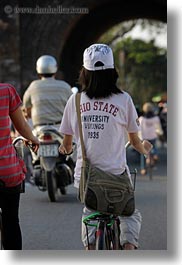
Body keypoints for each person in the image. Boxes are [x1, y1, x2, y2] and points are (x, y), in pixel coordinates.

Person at [58, 43, 153, 250]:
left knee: (89, 212)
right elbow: (135, 142)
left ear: (84, 72)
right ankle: (128, 248)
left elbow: (66, 144)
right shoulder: (124, 99)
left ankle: (91, 247)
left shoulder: (74, 101)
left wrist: (65, 149)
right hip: (117, 175)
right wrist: (145, 149)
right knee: (130, 214)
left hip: (86, 179)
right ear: (112, 72)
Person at [0, 83, 39, 250]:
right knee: (11, 221)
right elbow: (21, 126)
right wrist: (33, 139)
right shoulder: (6, 91)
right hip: (6, 171)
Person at [23, 55, 72, 130]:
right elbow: (73, 109)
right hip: (61, 129)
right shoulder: (65, 86)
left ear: (38, 69)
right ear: (55, 69)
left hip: (39, 130)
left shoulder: (33, 86)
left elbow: (26, 108)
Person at [138, 102, 163, 175]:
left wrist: (140, 138)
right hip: (153, 136)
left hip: (144, 137)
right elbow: (158, 128)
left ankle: (143, 168)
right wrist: (160, 133)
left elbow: (139, 129)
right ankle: (155, 155)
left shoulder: (141, 119)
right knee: (154, 147)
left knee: (143, 153)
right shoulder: (155, 118)